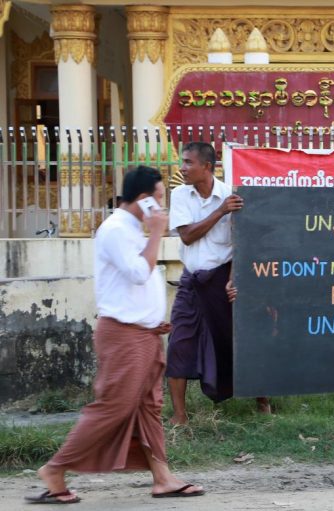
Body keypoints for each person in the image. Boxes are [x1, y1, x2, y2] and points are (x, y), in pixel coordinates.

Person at [26, 167, 204, 504]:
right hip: (123, 336)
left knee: (149, 408)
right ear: (143, 199)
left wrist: (153, 321)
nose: (163, 207)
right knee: (114, 406)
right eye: (160, 198)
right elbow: (139, 273)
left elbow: (137, 282)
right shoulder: (115, 230)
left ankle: (163, 477)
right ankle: (55, 469)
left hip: (144, 334)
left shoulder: (133, 231)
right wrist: (156, 234)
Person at [166, 142, 269, 425]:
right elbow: (187, 236)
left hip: (223, 279)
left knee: (238, 341)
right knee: (179, 343)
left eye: (188, 162)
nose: (183, 168)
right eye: (182, 162)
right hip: (192, 280)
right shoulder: (181, 195)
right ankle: (180, 416)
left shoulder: (231, 196)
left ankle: (263, 402)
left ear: (207, 167)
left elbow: (243, 243)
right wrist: (220, 212)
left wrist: (235, 279)